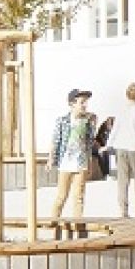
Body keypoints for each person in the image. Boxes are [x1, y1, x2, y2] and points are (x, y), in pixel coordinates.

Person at [49, 89, 98, 230]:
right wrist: (51, 158)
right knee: (61, 196)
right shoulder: (63, 121)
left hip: (81, 164)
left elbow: (89, 144)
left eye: (86, 102)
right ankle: (53, 222)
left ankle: (78, 224)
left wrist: (89, 163)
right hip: (65, 164)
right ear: (72, 104)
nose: (85, 105)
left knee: (79, 197)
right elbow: (55, 140)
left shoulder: (88, 121)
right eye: (82, 102)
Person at [107, 83, 135, 219]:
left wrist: (109, 144)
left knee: (122, 180)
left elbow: (115, 128)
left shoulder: (120, 110)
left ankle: (124, 211)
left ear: (127, 95)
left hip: (121, 146)